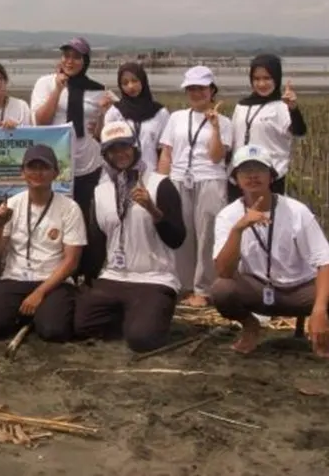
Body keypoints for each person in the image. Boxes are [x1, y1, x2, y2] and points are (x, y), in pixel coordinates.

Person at [211, 145, 329, 358]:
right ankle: (250, 326)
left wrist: (319, 310)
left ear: (271, 176)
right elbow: (224, 271)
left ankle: (319, 330)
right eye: (245, 171)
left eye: (259, 170)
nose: (252, 176)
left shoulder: (297, 211)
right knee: (221, 290)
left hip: (301, 289)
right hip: (257, 287)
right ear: (236, 179)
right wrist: (238, 229)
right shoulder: (228, 215)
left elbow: (325, 262)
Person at [74, 122, 186, 352]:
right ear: (105, 155)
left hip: (154, 278)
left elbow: (177, 239)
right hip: (115, 276)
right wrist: (88, 280)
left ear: (135, 147)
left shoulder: (160, 185)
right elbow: (97, 242)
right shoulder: (100, 192)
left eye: (124, 147)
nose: (120, 154)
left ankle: (149, 313)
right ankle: (131, 311)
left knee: (142, 340)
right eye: (112, 150)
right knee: (81, 326)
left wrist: (153, 210)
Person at [0, 144, 85, 343]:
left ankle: (41, 312)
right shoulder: (11, 205)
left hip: (52, 280)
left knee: (53, 332)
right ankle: (28, 314)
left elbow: (71, 262)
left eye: (44, 168)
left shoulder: (69, 208)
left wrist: (39, 293)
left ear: (56, 173)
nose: (38, 173)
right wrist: (0, 225)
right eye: (32, 167)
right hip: (15, 277)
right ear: (23, 172)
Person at [157, 65, 232, 307]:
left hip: (210, 179)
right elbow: (167, 153)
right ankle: (182, 284)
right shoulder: (177, 117)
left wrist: (215, 128)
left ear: (212, 90)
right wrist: (160, 183)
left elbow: (216, 156)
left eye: (200, 88)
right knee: (182, 233)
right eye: (191, 88)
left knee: (208, 234)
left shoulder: (224, 122)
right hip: (179, 179)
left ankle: (204, 288)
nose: (195, 93)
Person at [30, 37, 107, 217]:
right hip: (55, 162)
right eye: (66, 56)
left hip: (88, 163)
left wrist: (103, 113)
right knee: (55, 214)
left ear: (85, 61)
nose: (69, 61)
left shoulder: (98, 90)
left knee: (84, 215)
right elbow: (40, 121)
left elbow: (107, 125)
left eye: (76, 57)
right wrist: (57, 89)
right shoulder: (46, 83)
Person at [228, 54, 307, 202]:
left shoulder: (282, 106)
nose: (262, 84)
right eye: (257, 79)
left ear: (276, 79)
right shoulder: (241, 106)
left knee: (268, 220)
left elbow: (299, 131)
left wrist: (293, 109)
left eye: (267, 78)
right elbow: (234, 139)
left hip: (270, 177)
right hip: (240, 176)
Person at [96, 62, 169, 173]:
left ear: (143, 81)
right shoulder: (115, 112)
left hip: (151, 173)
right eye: (125, 83)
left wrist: (160, 177)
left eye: (135, 80)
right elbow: (106, 145)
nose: (130, 86)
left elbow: (164, 150)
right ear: (120, 86)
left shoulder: (160, 112)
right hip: (122, 175)